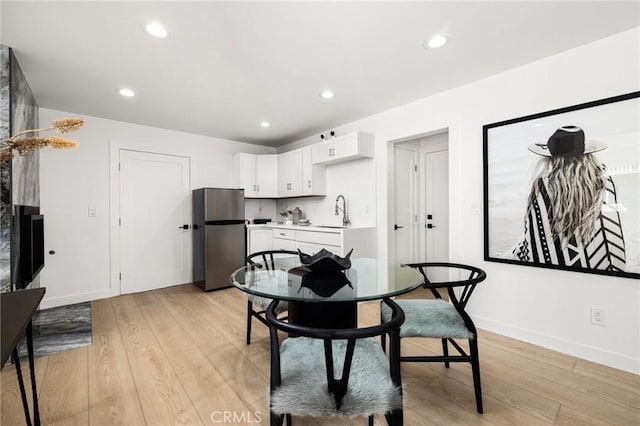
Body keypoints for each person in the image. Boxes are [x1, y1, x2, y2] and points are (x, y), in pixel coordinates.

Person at [513, 125, 626, 272]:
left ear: (552, 159)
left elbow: (534, 239)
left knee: (517, 253)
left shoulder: (544, 185)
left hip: (556, 271)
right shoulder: (605, 179)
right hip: (609, 268)